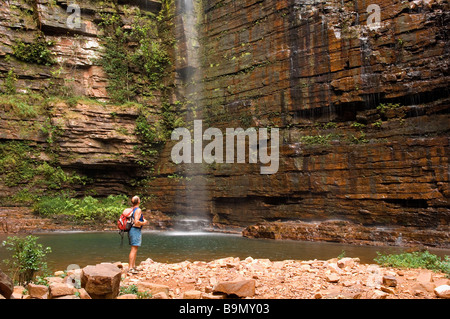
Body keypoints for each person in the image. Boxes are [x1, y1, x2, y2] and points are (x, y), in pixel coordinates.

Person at [125, 196, 148, 273]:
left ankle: (133, 266)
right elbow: (136, 222)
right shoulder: (138, 210)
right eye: (139, 199)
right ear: (138, 201)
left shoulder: (133, 209)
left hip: (132, 230)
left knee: (135, 248)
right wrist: (144, 222)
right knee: (134, 249)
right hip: (135, 230)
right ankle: (130, 268)